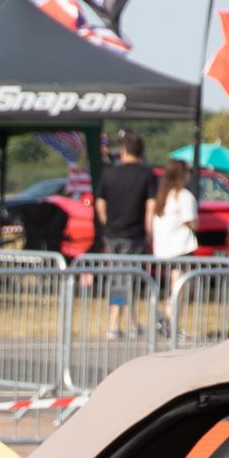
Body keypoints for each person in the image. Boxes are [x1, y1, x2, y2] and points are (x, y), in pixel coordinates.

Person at [96, 132, 157, 337]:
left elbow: (100, 203)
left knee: (119, 278)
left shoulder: (110, 174)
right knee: (127, 279)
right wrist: (149, 232)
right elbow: (150, 207)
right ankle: (115, 324)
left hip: (113, 233)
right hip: (134, 234)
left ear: (123, 151)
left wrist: (107, 222)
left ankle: (130, 323)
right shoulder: (147, 175)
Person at [152, 158, 199, 335]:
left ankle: (169, 319)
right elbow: (193, 222)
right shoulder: (183, 196)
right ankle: (169, 321)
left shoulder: (164, 195)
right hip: (180, 248)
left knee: (178, 286)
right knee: (180, 287)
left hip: (165, 248)